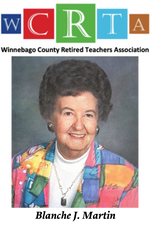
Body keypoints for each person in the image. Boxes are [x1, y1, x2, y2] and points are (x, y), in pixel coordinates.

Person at [10, 59, 141, 211]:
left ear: (98, 117)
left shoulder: (126, 179)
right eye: (68, 113)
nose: (78, 126)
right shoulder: (20, 166)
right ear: (49, 114)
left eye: (88, 115)